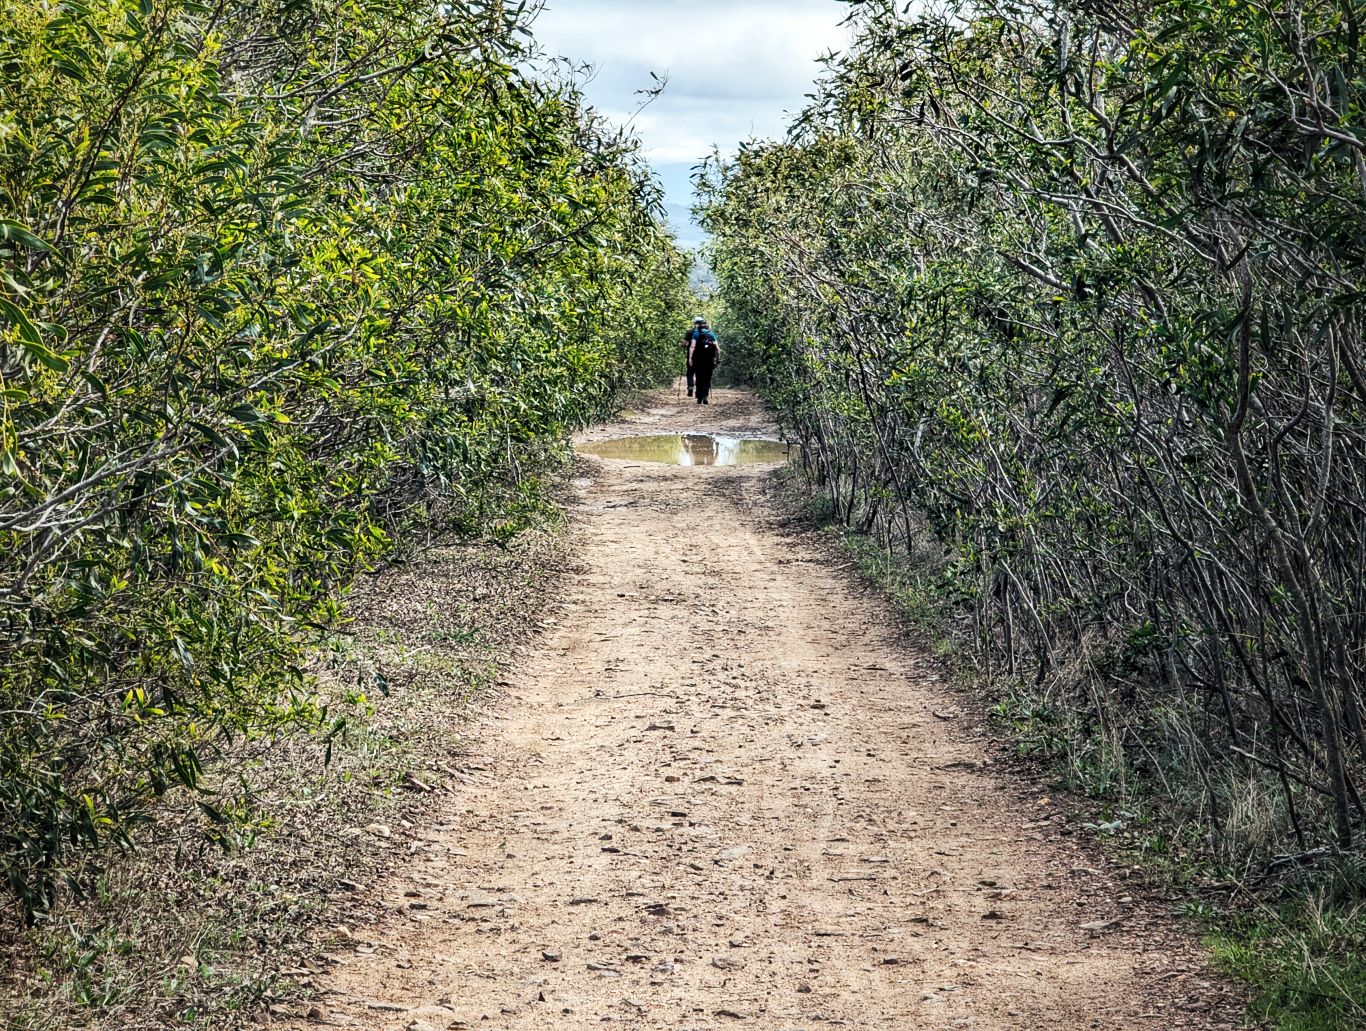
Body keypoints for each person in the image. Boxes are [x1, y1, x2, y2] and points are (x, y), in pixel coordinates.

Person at [688, 319, 721, 405]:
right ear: (707, 325)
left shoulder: (696, 333)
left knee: (699, 377)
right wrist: (717, 359)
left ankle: (699, 396)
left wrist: (690, 358)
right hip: (709, 359)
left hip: (698, 359)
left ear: (699, 325)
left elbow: (692, 346)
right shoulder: (711, 333)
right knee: (707, 377)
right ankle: (705, 396)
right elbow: (717, 348)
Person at [681, 317, 707, 396]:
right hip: (703, 356)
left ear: (694, 323)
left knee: (690, 372)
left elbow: (684, 344)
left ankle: (690, 386)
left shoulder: (689, 332)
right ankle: (698, 391)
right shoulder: (705, 332)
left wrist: (684, 345)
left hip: (692, 355)